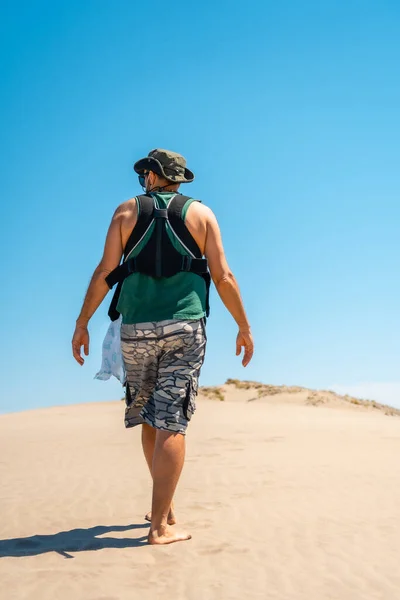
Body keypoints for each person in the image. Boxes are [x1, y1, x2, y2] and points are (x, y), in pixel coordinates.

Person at [72, 149, 254, 545]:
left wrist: (82, 322)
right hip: (185, 328)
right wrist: (244, 325)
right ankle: (159, 526)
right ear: (179, 180)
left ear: (153, 177)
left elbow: (105, 271)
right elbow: (223, 276)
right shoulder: (202, 215)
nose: (143, 183)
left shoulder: (125, 212)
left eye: (144, 177)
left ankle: (164, 509)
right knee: (172, 419)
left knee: (150, 417)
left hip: (135, 329)